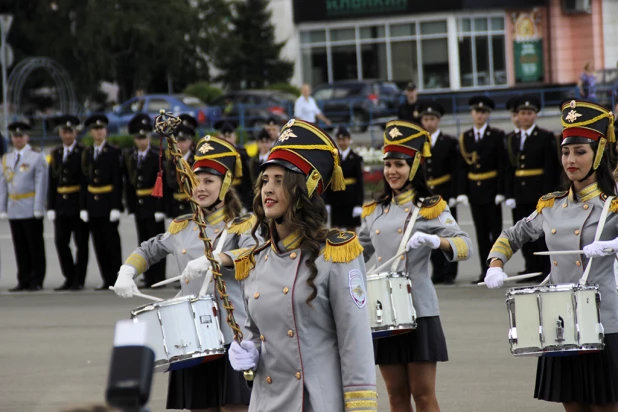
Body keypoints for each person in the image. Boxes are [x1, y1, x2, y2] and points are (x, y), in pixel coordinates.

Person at [221, 118, 377, 411]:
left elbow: (355, 343)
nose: (268, 189)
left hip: (316, 403)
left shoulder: (336, 255)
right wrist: (249, 351)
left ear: (304, 190)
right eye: (265, 180)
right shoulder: (253, 262)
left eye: (280, 181)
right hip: (266, 403)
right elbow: (257, 334)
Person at [484, 99, 618, 410]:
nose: (571, 159)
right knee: (572, 406)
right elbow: (513, 234)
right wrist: (495, 263)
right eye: (566, 151)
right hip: (562, 321)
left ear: (598, 153)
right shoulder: (551, 205)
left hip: (604, 320)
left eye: (580, 152)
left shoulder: (611, 205)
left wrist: (613, 245)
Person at [114, 135, 256, 411]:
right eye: (195, 180)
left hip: (233, 334)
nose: (199, 188)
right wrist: (127, 270)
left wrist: (217, 259)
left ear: (224, 184)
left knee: (235, 408)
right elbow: (149, 249)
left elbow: (253, 255)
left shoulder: (242, 225)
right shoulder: (182, 226)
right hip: (192, 337)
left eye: (208, 181)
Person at [358, 119, 472, 411]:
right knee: (395, 395)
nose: (392, 171)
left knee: (423, 394)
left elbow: (465, 246)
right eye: (388, 164)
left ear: (414, 165)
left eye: (399, 164)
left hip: (418, 309)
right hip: (383, 311)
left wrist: (436, 242)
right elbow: (357, 251)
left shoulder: (430, 207)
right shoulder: (375, 210)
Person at [504, 96, 559, 283]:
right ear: (517, 116)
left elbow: (550, 168)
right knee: (522, 230)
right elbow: (509, 169)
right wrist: (509, 194)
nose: (525, 117)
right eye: (522, 113)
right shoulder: (513, 138)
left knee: (541, 232)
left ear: (535, 115)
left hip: (538, 192)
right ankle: (530, 266)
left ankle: (545, 267)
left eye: (529, 113)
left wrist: (546, 194)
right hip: (519, 192)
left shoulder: (545, 137)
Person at [456, 96, 506, 284]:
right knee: (481, 233)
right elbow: (461, 167)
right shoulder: (465, 137)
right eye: (477, 111)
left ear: (488, 115)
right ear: (472, 113)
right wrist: (462, 191)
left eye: (483, 112)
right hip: (475, 192)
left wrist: (501, 191)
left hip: (492, 190)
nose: (479, 115)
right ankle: (484, 271)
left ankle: (497, 268)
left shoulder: (496, 135)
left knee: (496, 233)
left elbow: (502, 164)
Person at [0, 121, 48, 291]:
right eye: (15, 136)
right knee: (19, 246)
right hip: (14, 208)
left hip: (30, 207)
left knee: (34, 245)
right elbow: (3, 185)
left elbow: (41, 183)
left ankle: (37, 279)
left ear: (27, 137)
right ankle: (23, 278)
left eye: (21, 136)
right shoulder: (7, 158)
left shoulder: (36, 157)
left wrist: (38, 206)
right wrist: (3, 208)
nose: (18, 139)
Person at [419, 101, 461, 285]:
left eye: (432, 119)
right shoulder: (418, 143)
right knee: (430, 232)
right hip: (426, 195)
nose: (429, 122)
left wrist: (455, 194)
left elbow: (456, 170)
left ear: (438, 120)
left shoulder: (449, 142)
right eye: (425, 119)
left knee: (449, 232)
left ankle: (450, 271)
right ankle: (437, 271)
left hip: (444, 193)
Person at [123, 113, 167, 287]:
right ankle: (148, 277)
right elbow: (129, 183)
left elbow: (162, 184)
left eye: (145, 137)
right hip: (140, 205)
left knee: (158, 243)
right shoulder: (131, 157)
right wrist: (130, 206)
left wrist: (160, 208)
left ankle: (159, 277)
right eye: (139, 137)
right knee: (143, 241)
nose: (142, 141)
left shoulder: (157, 156)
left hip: (153, 203)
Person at [80, 114, 123, 291]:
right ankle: (106, 278)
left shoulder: (113, 152)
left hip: (107, 203)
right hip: (92, 205)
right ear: (91, 132)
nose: (99, 132)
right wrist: (83, 206)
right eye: (96, 129)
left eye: (102, 129)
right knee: (98, 244)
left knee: (112, 244)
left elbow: (118, 181)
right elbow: (84, 181)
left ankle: (117, 278)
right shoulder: (87, 153)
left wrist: (116, 206)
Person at [47, 115, 89, 291]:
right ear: (60, 133)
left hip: (77, 204)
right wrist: (50, 206)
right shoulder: (55, 153)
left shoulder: (83, 152)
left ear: (75, 133)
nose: (67, 135)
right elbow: (52, 182)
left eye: (70, 132)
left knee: (81, 244)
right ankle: (69, 276)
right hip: (61, 206)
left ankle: (79, 279)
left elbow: (86, 181)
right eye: (64, 132)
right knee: (61, 243)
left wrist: (84, 207)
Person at [324, 125, 364, 232]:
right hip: (336, 199)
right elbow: (328, 181)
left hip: (351, 198)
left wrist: (358, 204)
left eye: (344, 139)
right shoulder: (333, 158)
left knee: (351, 231)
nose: (342, 142)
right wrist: (326, 202)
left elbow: (360, 183)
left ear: (349, 140)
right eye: (339, 139)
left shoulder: (356, 158)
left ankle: (351, 250)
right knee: (336, 231)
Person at [165, 117, 196, 218]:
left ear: (190, 141)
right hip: (176, 207)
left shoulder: (196, 159)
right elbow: (169, 188)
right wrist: (168, 212)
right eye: (178, 141)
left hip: (193, 206)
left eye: (184, 140)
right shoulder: (171, 162)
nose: (180, 144)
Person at [219, 122, 253, 211]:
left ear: (235, 137)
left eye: (229, 137)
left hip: (241, 197)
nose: (227, 140)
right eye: (224, 137)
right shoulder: (216, 156)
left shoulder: (241, 154)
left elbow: (248, 181)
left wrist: (248, 204)